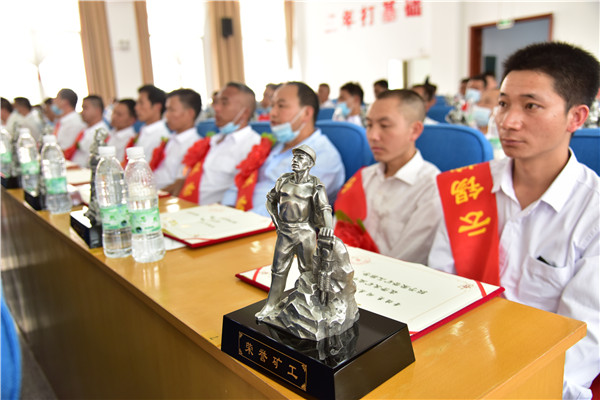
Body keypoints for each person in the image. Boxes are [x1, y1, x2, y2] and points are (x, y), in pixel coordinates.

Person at [428, 41, 600, 400]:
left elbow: (581, 346)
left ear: (576, 117)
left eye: (531, 106)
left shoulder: (593, 213)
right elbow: (439, 290)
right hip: (455, 363)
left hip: (535, 381)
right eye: (504, 103)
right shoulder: (467, 187)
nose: (507, 121)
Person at [334, 89, 441, 264]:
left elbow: (405, 262)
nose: (373, 136)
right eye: (369, 125)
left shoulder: (431, 188)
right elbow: (336, 236)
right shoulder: (364, 177)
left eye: (384, 126)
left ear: (414, 130)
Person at [222, 81, 345, 216]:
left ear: (306, 113)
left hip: (263, 225)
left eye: (281, 106)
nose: (272, 113)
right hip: (237, 217)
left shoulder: (322, 156)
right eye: (272, 105)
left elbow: (289, 210)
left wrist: (241, 219)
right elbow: (242, 180)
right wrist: (226, 210)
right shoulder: (275, 146)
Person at [256, 144, 334, 320]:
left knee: (308, 271)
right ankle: (271, 304)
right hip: (285, 231)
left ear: (310, 164)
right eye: (294, 157)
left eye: (300, 158)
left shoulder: (315, 185)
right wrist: (277, 222)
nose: (295, 161)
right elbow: (270, 201)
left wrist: (328, 227)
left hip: (305, 231)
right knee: (278, 269)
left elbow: (325, 208)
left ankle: (310, 306)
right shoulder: (283, 181)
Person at [171, 82, 261, 205]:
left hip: (212, 211)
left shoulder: (253, 146)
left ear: (244, 112)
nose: (216, 108)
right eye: (216, 102)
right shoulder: (210, 141)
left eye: (224, 103)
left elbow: (240, 196)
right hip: (185, 205)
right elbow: (184, 178)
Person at [152, 88, 201, 190]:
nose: (166, 115)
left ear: (190, 114)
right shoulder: (170, 139)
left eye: (171, 110)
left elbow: (179, 186)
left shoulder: (195, 145)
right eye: (167, 110)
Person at [70, 95, 110, 167]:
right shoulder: (85, 129)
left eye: (85, 108)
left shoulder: (101, 133)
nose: (82, 112)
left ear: (97, 110)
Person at [134, 84, 170, 161]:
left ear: (157, 107)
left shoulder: (162, 136)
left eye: (141, 103)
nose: (136, 108)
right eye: (137, 103)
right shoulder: (143, 130)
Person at [106, 99, 137, 163]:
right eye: (114, 112)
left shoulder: (130, 140)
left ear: (132, 119)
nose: (114, 116)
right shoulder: (111, 132)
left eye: (119, 114)